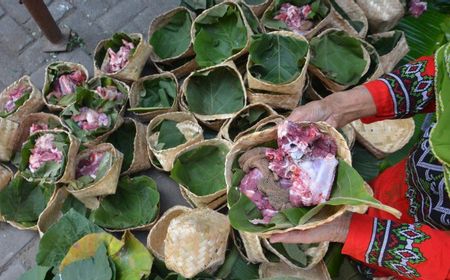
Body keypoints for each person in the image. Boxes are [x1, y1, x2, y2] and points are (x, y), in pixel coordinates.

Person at [270, 43, 450, 280]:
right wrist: (336, 108)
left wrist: (344, 228)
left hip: (430, 261)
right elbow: (437, 76)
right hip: (400, 188)